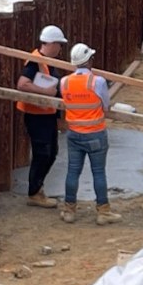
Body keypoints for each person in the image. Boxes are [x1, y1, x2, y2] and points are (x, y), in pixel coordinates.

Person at [59, 43, 121, 226]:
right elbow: (106, 106)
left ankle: (69, 210)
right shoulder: (97, 81)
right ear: (89, 61)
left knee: (72, 172)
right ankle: (103, 211)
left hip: (74, 134)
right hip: (95, 134)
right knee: (99, 173)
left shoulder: (65, 82)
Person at [16, 24, 67, 209]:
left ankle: (37, 189)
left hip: (47, 114)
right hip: (37, 115)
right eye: (59, 44)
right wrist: (46, 92)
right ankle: (34, 193)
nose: (61, 49)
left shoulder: (47, 61)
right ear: (51, 43)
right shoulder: (34, 61)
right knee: (42, 153)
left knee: (51, 153)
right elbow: (23, 85)